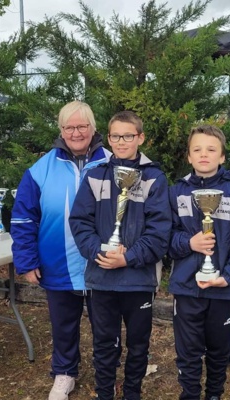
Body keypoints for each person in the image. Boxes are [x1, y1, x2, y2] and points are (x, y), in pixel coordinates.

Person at [10, 100, 111, 400]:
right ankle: (64, 373)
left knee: (106, 327)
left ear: (93, 127)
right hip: (58, 263)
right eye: (69, 127)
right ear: (61, 130)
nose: (76, 132)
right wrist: (26, 261)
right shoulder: (41, 169)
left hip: (103, 264)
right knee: (63, 326)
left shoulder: (113, 161)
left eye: (82, 126)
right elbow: (23, 217)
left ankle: (108, 372)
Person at [69, 110, 172, 400]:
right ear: (108, 138)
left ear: (140, 137)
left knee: (138, 344)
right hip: (101, 277)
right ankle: (105, 394)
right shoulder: (95, 175)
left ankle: (132, 393)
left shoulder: (154, 179)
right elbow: (79, 222)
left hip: (138, 279)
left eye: (128, 135)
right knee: (104, 343)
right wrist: (98, 250)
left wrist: (129, 257)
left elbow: (160, 231)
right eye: (115, 136)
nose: (121, 141)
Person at [168, 125, 230, 400]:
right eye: (197, 149)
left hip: (222, 288)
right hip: (187, 287)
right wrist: (189, 243)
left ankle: (214, 394)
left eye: (211, 149)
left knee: (219, 350)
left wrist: (229, 275)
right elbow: (165, 237)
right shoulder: (176, 193)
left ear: (222, 157)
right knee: (187, 351)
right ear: (188, 156)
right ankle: (190, 395)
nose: (204, 155)